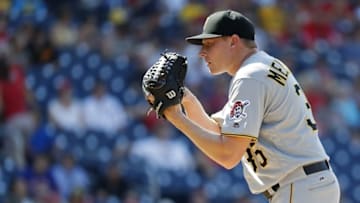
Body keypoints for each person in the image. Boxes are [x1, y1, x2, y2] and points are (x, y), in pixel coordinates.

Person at [158, 10, 340, 202]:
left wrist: (175, 117)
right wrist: (187, 100)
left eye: (210, 44)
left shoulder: (250, 76)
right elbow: (219, 130)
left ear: (233, 41)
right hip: (306, 185)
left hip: (300, 186)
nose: (202, 53)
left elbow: (228, 155)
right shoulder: (262, 66)